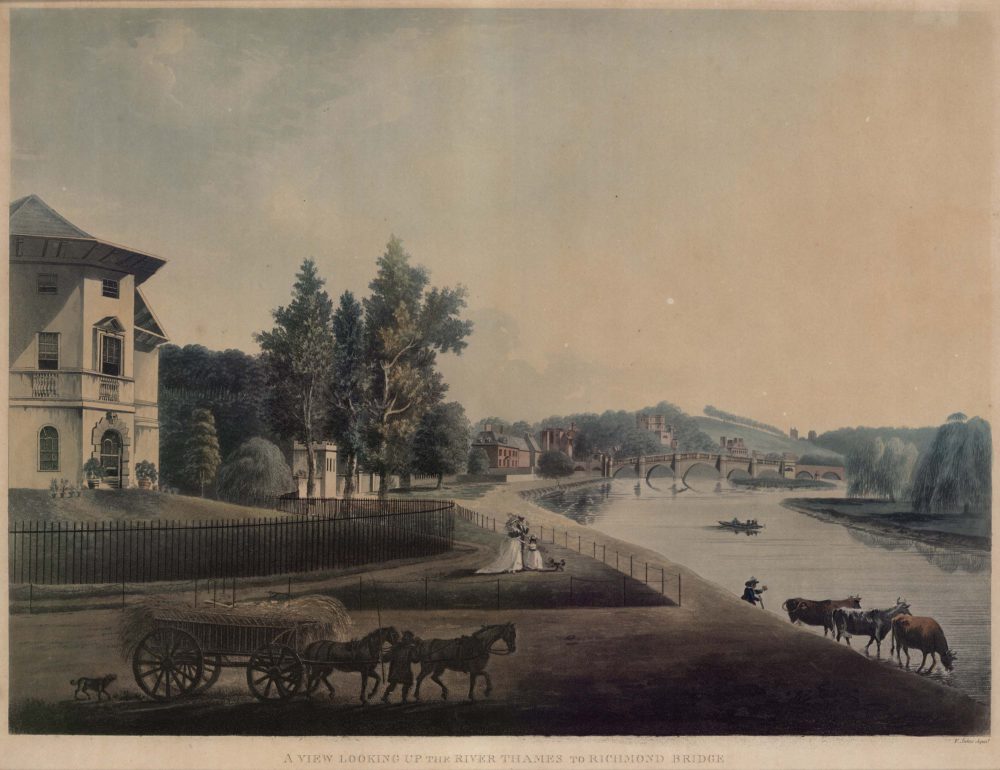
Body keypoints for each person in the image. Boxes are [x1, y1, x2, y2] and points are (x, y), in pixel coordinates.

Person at [382, 630, 420, 703]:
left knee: (406, 684)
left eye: (408, 637)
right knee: (394, 684)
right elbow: (388, 656)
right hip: (399, 670)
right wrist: (384, 657)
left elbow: (415, 660)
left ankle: (403, 699)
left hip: (402, 670)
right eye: (406, 636)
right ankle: (385, 697)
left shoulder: (409, 648)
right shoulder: (397, 647)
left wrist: (417, 652)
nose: (406, 638)